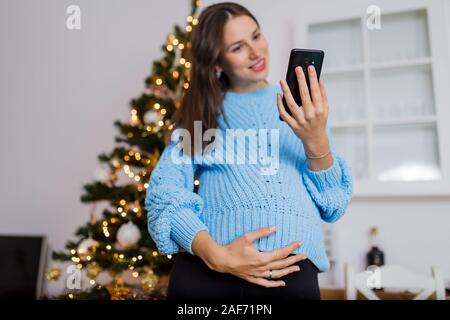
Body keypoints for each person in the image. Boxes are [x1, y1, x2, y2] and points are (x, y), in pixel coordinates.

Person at [145, 2, 353, 302]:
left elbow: (334, 204)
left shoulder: (301, 110)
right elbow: (163, 194)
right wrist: (217, 256)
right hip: (208, 276)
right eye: (238, 47)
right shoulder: (205, 117)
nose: (256, 52)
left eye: (256, 36)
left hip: (289, 279)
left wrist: (317, 139)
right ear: (217, 62)